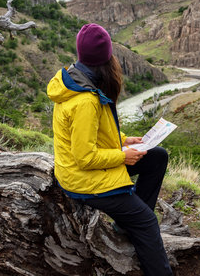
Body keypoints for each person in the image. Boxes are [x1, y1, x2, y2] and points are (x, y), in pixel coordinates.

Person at [47, 23, 173, 276]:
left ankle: (126, 226)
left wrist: (124, 140)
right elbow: (85, 157)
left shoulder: (78, 78)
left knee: (156, 157)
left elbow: (93, 132)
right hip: (82, 180)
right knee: (148, 222)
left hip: (82, 170)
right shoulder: (85, 100)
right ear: (106, 58)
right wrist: (123, 156)